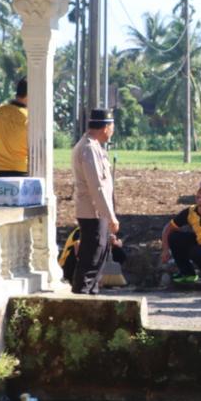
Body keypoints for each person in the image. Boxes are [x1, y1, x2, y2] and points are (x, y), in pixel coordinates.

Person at [70, 109, 120, 295]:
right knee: (91, 260)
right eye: (112, 127)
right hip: (93, 213)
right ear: (106, 127)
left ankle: (90, 294)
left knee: (98, 257)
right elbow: (97, 187)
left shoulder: (94, 146)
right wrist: (110, 217)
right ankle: (81, 298)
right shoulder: (89, 148)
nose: (112, 131)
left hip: (97, 212)